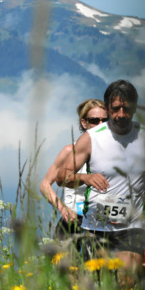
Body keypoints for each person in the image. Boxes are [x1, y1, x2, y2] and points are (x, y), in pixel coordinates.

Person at [60, 80, 145, 280]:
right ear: (108, 108)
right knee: (98, 286)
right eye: (116, 109)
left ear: (135, 107)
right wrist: (85, 177)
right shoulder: (91, 138)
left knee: (127, 282)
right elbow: (62, 176)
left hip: (132, 224)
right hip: (96, 226)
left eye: (127, 108)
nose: (121, 114)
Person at [39, 99, 107, 248]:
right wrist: (63, 209)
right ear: (84, 123)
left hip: (103, 223)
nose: (101, 125)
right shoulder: (70, 151)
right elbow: (45, 185)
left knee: (100, 270)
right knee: (68, 269)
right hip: (73, 221)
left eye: (105, 120)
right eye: (95, 120)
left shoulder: (116, 153)